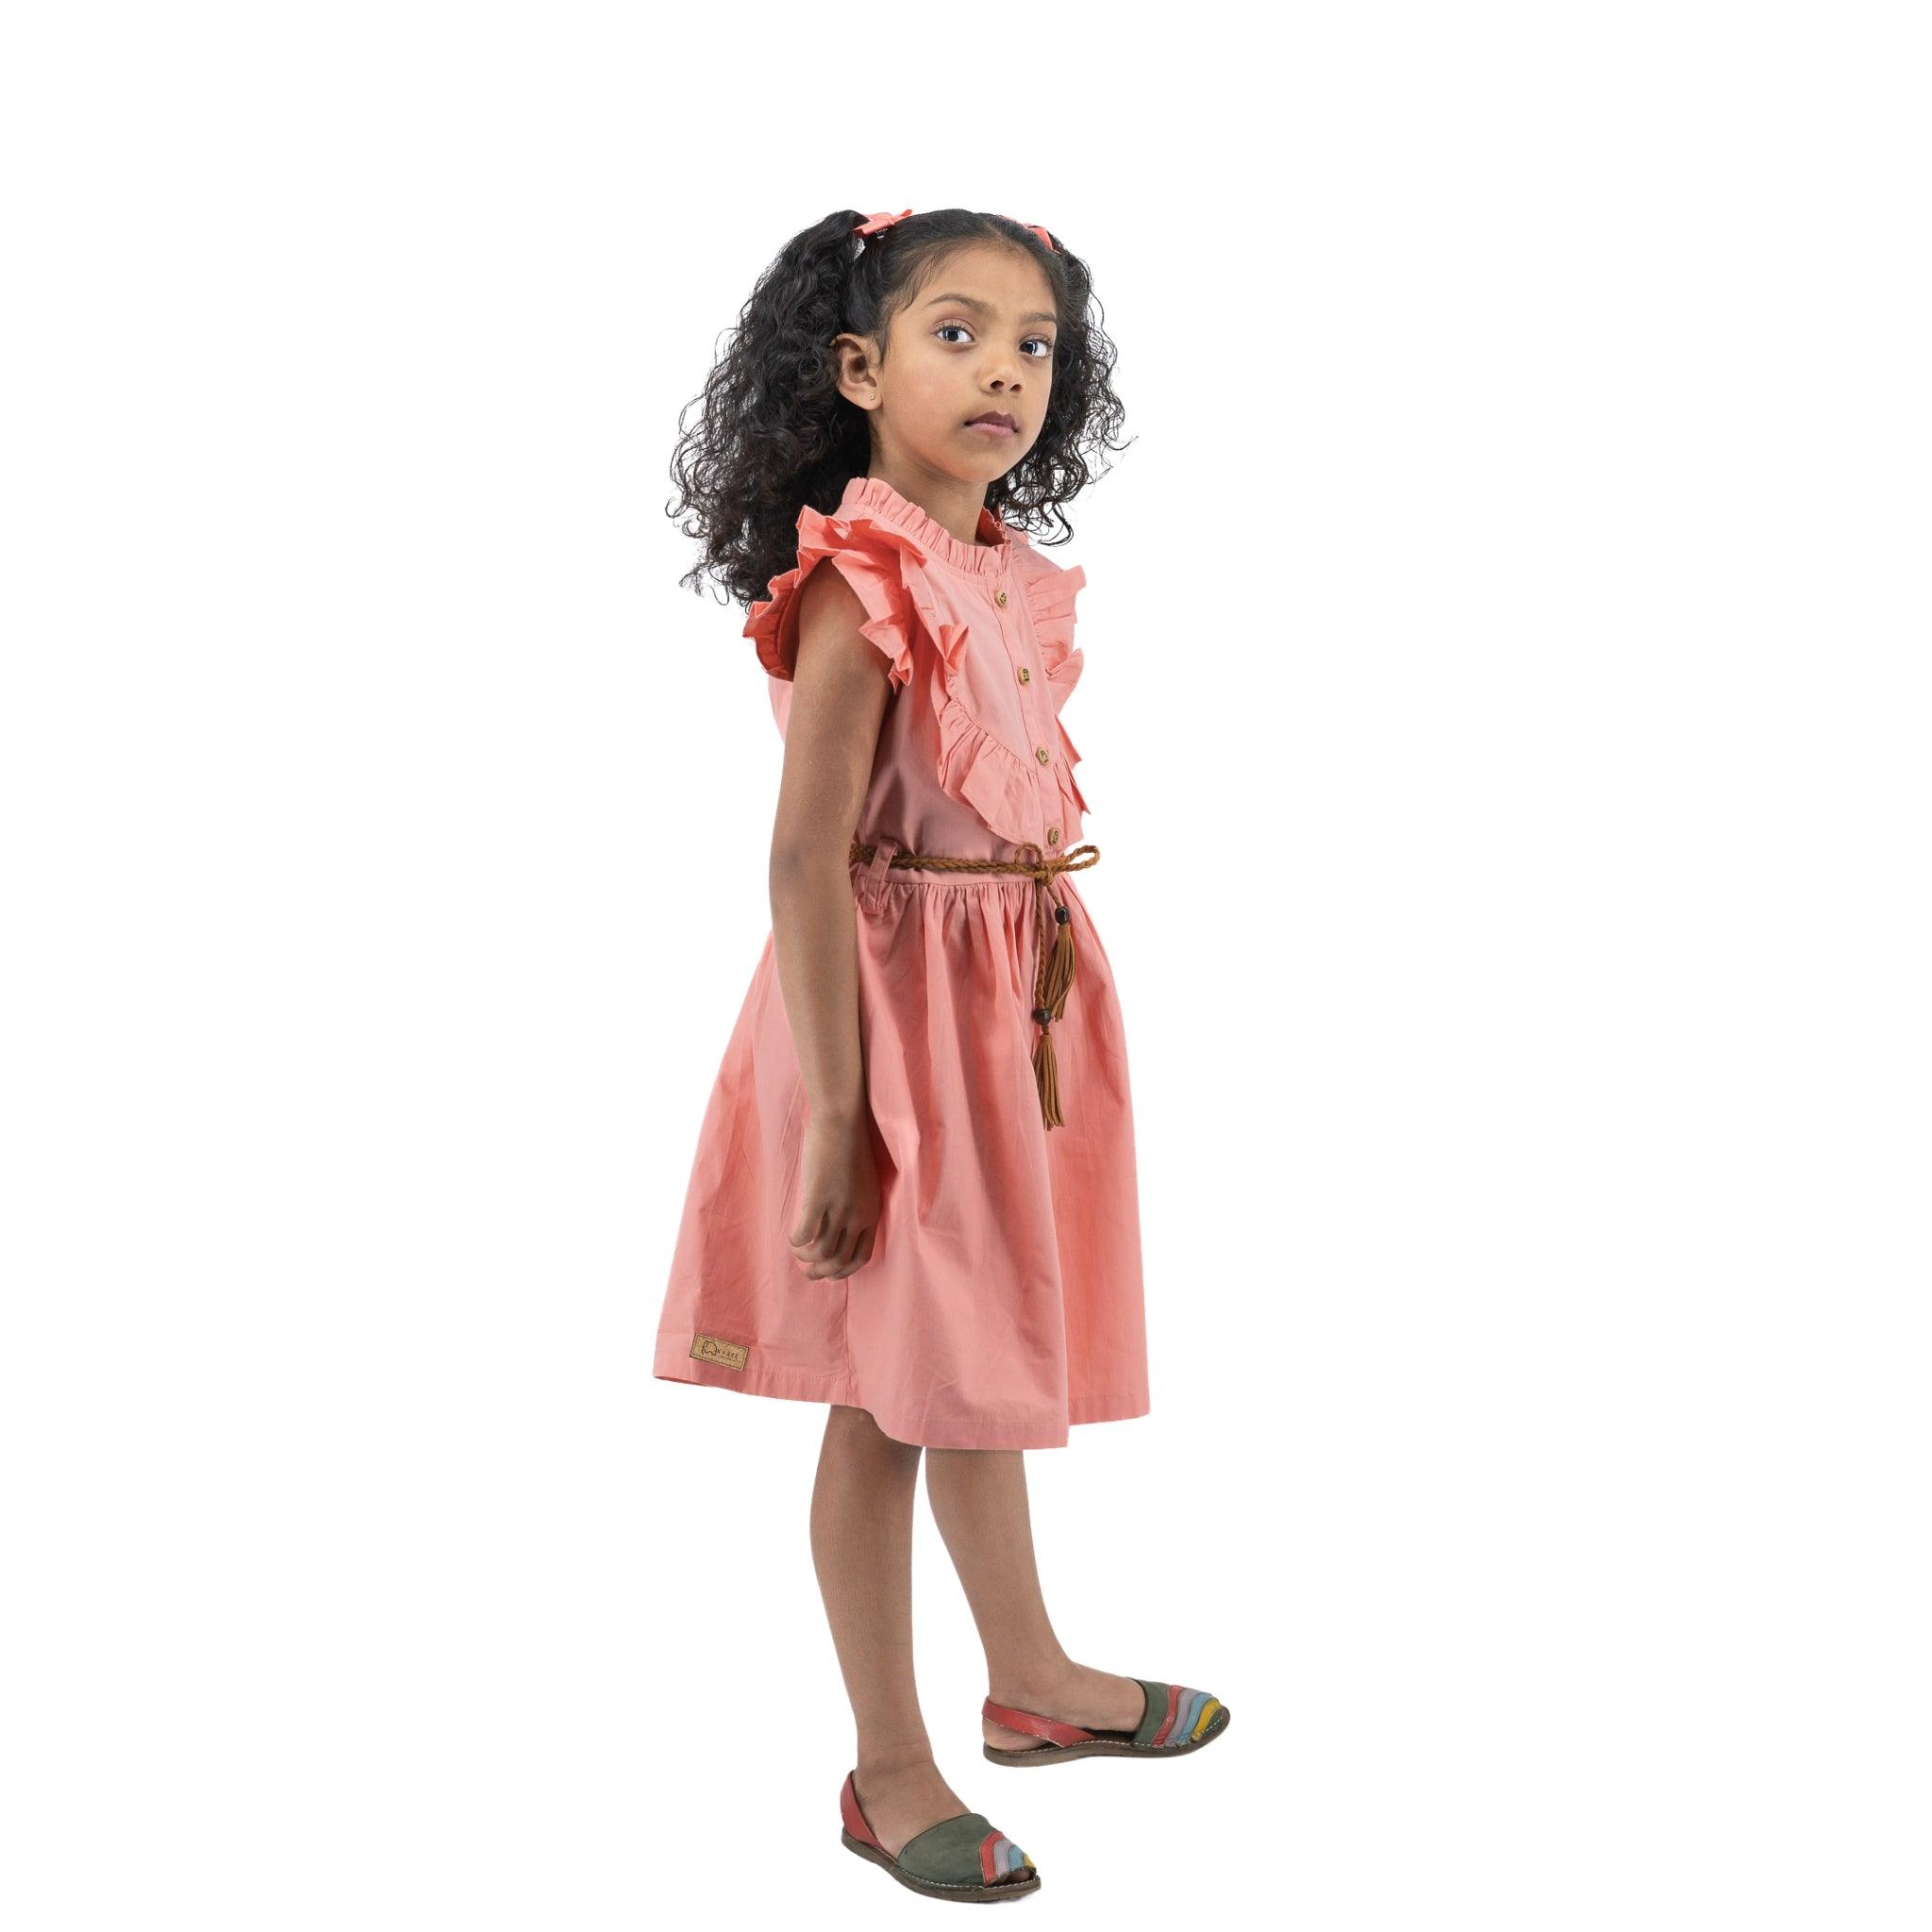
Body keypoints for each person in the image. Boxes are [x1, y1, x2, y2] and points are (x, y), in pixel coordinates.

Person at [654, 207, 1229, 1903]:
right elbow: (801, 858)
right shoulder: (866, 575)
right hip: (892, 1028)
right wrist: (840, 1112)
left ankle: (1034, 1679)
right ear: (859, 371)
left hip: (1010, 1011)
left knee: (981, 1358)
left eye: (1036, 341)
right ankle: (886, 1761)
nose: (1005, 368)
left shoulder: (995, 565)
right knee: (887, 1401)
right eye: (958, 332)